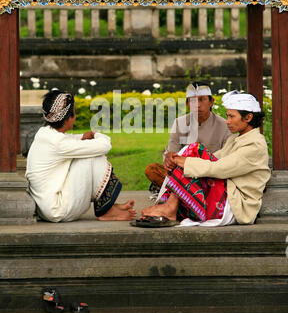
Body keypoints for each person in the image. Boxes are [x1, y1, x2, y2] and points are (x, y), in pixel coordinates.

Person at [140, 90, 271, 227]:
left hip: (235, 205)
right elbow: (214, 159)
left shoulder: (255, 144)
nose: (228, 121)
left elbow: (219, 168)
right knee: (192, 151)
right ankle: (169, 206)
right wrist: (181, 158)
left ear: (248, 117)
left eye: (232, 117)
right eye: (227, 116)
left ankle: (169, 207)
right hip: (224, 195)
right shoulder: (236, 139)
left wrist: (183, 160)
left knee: (194, 150)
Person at [26, 90, 136, 223]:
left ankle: (109, 206)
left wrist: (83, 137)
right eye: (74, 113)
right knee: (94, 157)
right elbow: (105, 146)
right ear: (68, 118)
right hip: (57, 209)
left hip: (47, 207)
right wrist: (97, 134)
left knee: (88, 151)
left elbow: (67, 141)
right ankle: (108, 211)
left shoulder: (44, 134)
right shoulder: (59, 143)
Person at [145, 82, 231, 190]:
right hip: (184, 175)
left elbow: (226, 162)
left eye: (202, 99)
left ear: (211, 102)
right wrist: (168, 159)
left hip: (211, 177)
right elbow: (172, 154)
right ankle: (185, 195)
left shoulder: (225, 126)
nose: (198, 105)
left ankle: (177, 194)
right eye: (193, 100)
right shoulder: (179, 123)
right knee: (152, 169)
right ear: (187, 104)